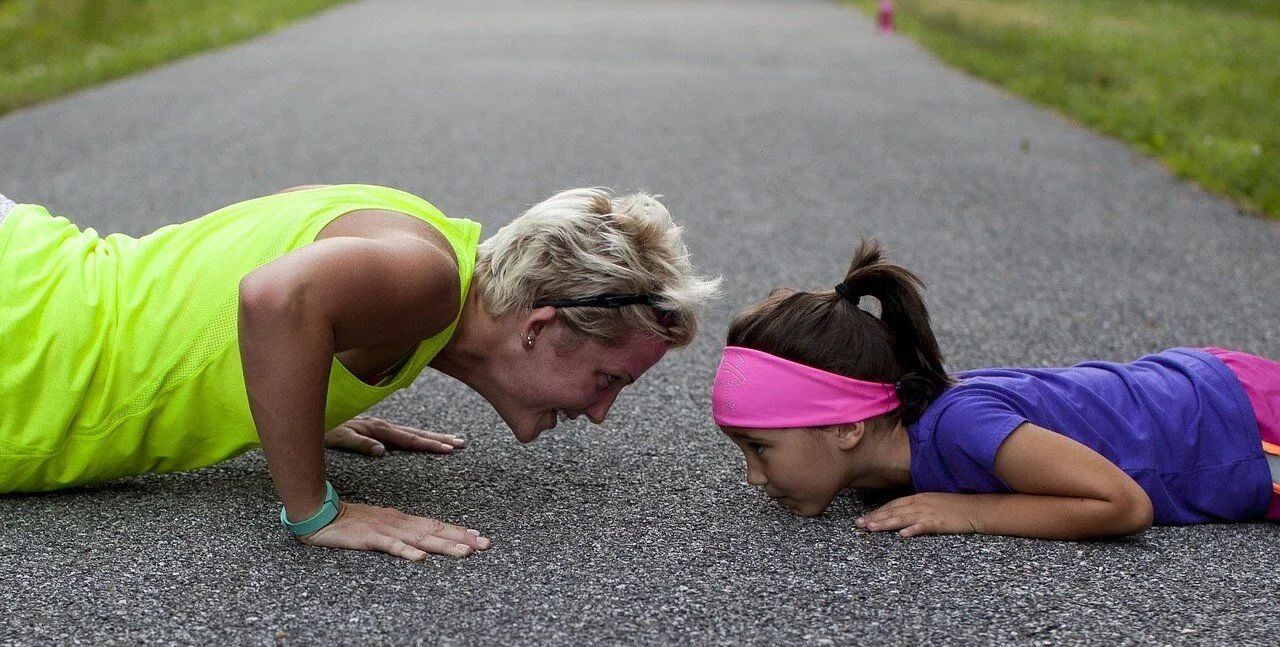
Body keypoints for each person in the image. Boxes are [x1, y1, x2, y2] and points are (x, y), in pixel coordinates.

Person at [0, 184, 720, 560]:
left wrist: (298, 394)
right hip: (23, 341)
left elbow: (245, 259)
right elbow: (273, 296)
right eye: (608, 379)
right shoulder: (429, 279)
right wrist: (318, 509)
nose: (601, 412)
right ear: (541, 327)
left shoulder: (423, 242)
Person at [710, 238, 1279, 540]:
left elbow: (1123, 504)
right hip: (1212, 390)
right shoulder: (882, 459)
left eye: (761, 447)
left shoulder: (960, 426)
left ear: (847, 426)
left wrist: (971, 512)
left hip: (1241, 425)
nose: (754, 475)